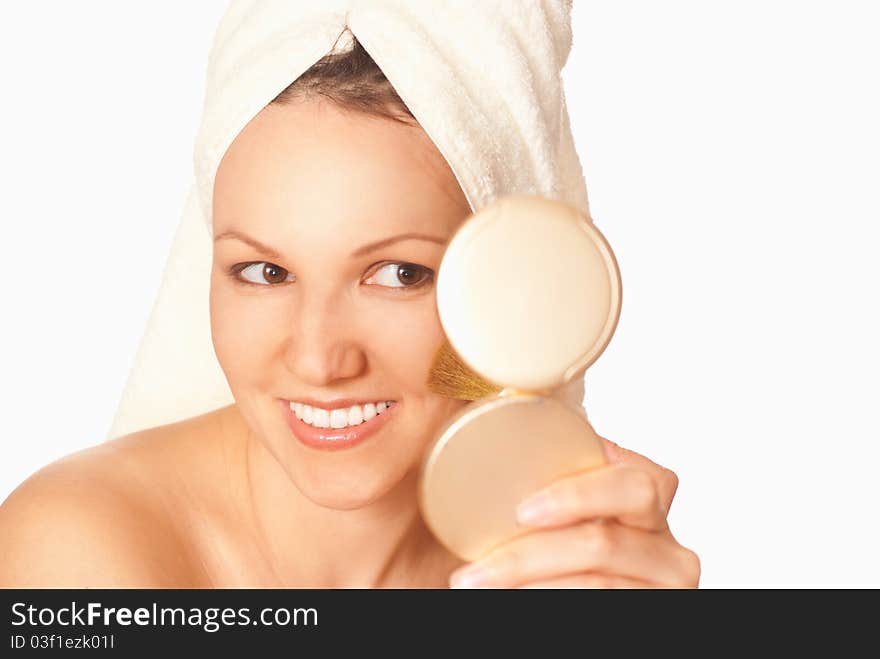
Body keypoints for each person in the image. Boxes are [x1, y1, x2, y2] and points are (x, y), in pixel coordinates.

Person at [0, 28, 699, 589]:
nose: (319, 359)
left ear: (513, 284)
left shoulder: (571, 571)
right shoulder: (78, 549)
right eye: (265, 271)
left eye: (398, 274)